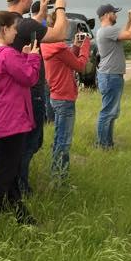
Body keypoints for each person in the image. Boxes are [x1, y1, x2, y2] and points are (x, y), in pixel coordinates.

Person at [0, 9, 41, 225]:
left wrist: (22, 56)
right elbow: (30, 77)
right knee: (4, 170)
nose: (15, 33)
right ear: (4, 29)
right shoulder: (6, 54)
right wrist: (33, 57)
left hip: (4, 117)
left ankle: (20, 214)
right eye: (14, 29)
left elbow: (12, 76)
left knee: (9, 168)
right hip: (12, 119)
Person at [4, 0, 68, 195]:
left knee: (21, 140)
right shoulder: (24, 25)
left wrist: (42, 10)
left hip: (13, 90)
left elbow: (29, 26)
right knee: (31, 141)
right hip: (30, 91)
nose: (31, 0)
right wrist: (60, 8)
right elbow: (60, 33)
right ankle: (19, 187)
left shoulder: (6, 21)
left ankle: (16, 183)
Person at [40, 28, 91, 181]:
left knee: (59, 138)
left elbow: (67, 61)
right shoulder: (59, 48)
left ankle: (56, 173)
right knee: (64, 141)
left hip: (56, 96)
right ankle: (59, 180)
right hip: (64, 98)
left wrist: (75, 47)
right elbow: (80, 66)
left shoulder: (48, 46)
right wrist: (85, 45)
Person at [94, 3, 131, 148]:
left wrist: (129, 20)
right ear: (107, 15)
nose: (116, 15)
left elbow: (125, 32)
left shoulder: (107, 31)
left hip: (110, 75)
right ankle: (102, 145)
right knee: (107, 112)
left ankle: (107, 143)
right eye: (114, 13)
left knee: (111, 112)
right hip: (110, 76)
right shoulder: (107, 31)